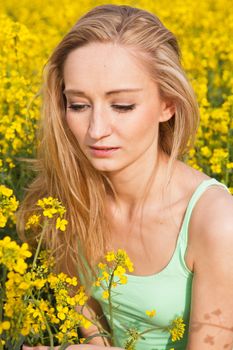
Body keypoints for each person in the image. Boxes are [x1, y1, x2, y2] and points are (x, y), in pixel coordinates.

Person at [18, 4, 233, 350]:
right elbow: (88, 315)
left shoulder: (216, 222)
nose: (96, 130)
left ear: (168, 104)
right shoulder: (70, 196)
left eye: (122, 106)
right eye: (78, 105)